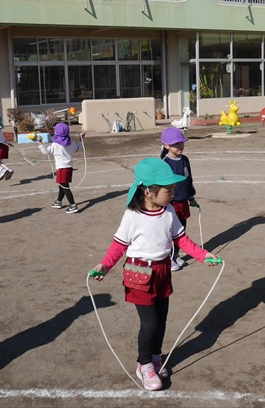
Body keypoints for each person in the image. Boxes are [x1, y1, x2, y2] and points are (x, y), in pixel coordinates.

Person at [90, 158, 220, 391]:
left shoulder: (169, 211)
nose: (173, 193)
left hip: (162, 271)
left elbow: (181, 239)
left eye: (173, 189)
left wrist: (203, 255)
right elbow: (119, 245)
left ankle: (156, 357)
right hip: (139, 273)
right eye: (168, 190)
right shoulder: (132, 216)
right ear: (148, 192)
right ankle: (144, 364)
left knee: (161, 320)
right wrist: (105, 265)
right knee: (149, 324)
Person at [160, 127, 198, 271]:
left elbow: (189, 179)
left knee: (180, 231)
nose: (180, 146)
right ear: (166, 145)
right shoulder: (165, 163)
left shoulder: (185, 160)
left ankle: (176, 255)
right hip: (170, 204)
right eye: (176, 144)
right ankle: (168, 258)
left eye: (181, 143)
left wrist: (191, 197)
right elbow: (162, 186)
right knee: (169, 231)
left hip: (183, 203)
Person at [38, 123, 85, 214]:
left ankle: (73, 206)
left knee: (65, 187)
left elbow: (45, 152)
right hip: (69, 168)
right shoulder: (70, 142)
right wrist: (80, 139)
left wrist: (40, 142)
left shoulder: (55, 145)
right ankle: (58, 201)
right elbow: (77, 148)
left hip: (61, 169)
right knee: (62, 185)